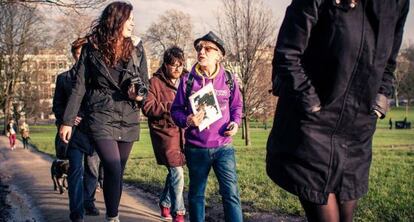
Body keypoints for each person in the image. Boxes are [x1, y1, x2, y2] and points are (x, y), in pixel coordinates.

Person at [266, 0, 409, 221]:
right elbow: (287, 54)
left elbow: (390, 60)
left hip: (357, 129)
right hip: (314, 127)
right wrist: (310, 102)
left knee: (346, 217)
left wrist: (381, 97)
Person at [59, 2, 148, 221]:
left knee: (116, 172)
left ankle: (111, 215)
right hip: (100, 114)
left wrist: (138, 94)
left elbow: (145, 83)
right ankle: (114, 218)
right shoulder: (92, 48)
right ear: (116, 20)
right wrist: (67, 121)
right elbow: (79, 85)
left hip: (128, 115)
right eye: (129, 19)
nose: (133, 24)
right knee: (113, 166)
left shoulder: (137, 47)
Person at [171, 31, 243, 222]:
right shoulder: (187, 81)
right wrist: (188, 120)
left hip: (223, 147)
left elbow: (237, 106)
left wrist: (235, 123)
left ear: (219, 54)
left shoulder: (229, 78)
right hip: (196, 148)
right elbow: (175, 110)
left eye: (207, 48)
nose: (201, 52)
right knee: (196, 196)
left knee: (231, 195)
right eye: (199, 48)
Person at [53, 37, 101, 222]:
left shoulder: (97, 79)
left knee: (93, 171)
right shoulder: (63, 78)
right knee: (75, 171)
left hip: (94, 130)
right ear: (74, 56)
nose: (83, 58)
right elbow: (57, 106)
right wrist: (69, 118)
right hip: (73, 133)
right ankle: (77, 213)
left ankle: (88, 201)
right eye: (80, 54)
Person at [142, 46, 187, 222]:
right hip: (165, 133)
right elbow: (147, 107)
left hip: (185, 133)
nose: (177, 69)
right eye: (173, 65)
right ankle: (179, 213)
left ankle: (165, 202)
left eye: (180, 65)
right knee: (177, 172)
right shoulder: (154, 82)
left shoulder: (187, 79)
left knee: (175, 172)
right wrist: (171, 107)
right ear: (165, 65)